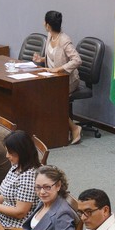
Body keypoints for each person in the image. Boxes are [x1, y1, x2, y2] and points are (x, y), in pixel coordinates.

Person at [32, 10, 83, 145]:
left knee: (50, 99)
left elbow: (77, 60)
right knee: (39, 93)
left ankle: (74, 128)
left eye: (44, 22)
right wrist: (42, 58)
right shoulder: (50, 35)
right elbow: (55, 57)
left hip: (67, 80)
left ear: (48, 25)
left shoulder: (64, 40)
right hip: (53, 79)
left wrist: (58, 69)